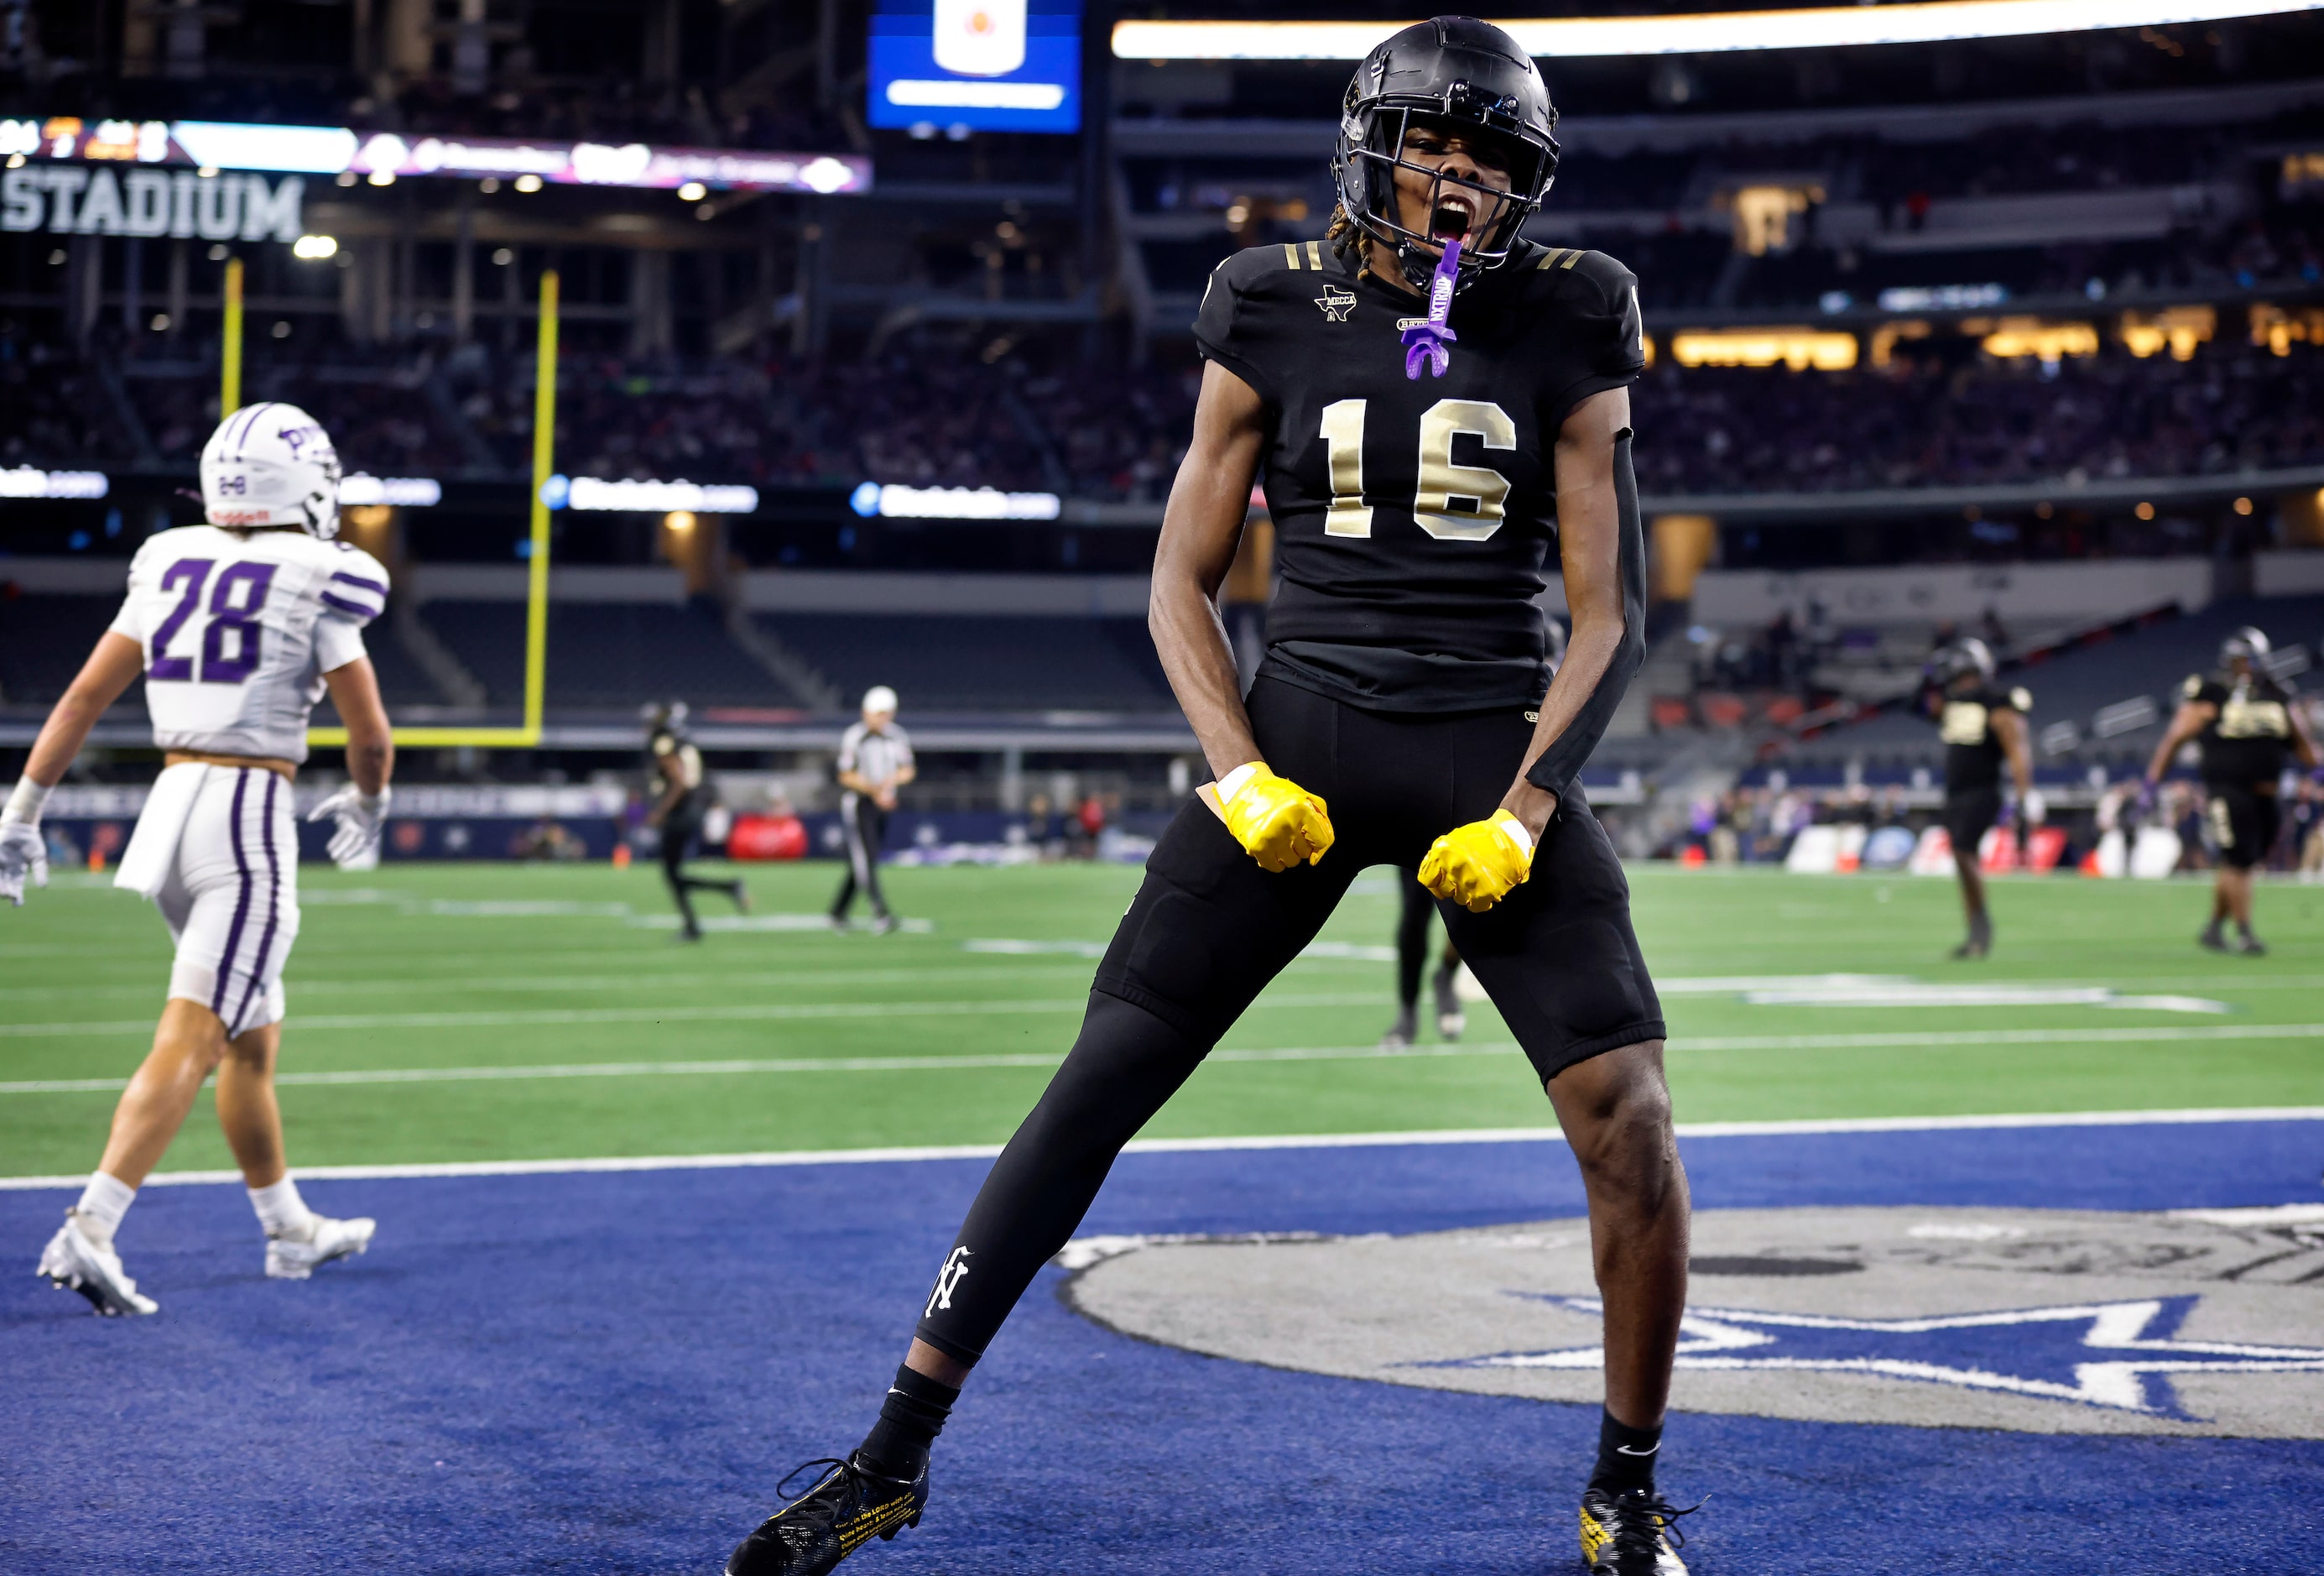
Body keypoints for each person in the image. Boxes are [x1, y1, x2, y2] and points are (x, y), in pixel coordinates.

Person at [725, 19, 1691, 1575]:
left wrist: (1523, 809)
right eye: (1436, 150)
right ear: (1373, 152)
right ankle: (890, 1456)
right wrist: (1237, 770)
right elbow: (1179, 582)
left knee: (1630, 1120)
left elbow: (1607, 614)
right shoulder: (1264, 301)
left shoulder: (1577, 310)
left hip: (1483, 739)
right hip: (1301, 727)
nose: (1462, 183)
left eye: (1494, 160)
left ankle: (1627, 1486)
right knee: (1094, 1087)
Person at [2, 403, 389, 1316]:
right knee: (198, 1032)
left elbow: (82, 698)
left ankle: (287, 1225)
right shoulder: (320, 574)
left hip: (169, 811)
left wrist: (23, 810)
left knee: (251, 1039)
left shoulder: (172, 560)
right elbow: (369, 732)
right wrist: (370, 800)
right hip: (248, 815)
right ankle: (90, 1226)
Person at [2144, 626, 2318, 954]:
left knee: (2243, 862)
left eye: (2249, 660)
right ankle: (2245, 931)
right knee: (2238, 861)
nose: (2244, 667)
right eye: (2238, 660)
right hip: (2227, 790)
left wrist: (2318, 770)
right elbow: (2174, 738)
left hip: (2266, 794)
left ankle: (2213, 927)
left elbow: (2302, 743)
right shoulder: (2212, 694)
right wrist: (2152, 782)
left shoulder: (2278, 695)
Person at [1921, 637, 2037, 959]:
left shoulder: (1997, 703)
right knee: (1961, 857)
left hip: (1982, 790)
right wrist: (1926, 676)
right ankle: (1975, 927)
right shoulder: (1953, 703)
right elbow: (1918, 706)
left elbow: (2017, 750)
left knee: (1962, 851)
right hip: (1956, 792)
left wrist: (2024, 797)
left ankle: (1981, 925)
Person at [645, 699, 748, 941]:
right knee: (673, 874)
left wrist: (661, 811)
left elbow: (679, 781)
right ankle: (724, 892)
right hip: (691, 810)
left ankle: (694, 924)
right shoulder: (685, 743)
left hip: (681, 813)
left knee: (671, 874)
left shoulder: (665, 744)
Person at [830, 686, 914, 933]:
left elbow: (907, 770)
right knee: (865, 860)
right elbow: (846, 775)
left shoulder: (897, 736)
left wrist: (889, 785)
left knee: (865, 860)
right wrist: (875, 790)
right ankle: (881, 912)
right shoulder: (855, 736)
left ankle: (838, 911)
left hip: (883, 804)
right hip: (859, 804)